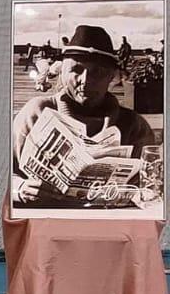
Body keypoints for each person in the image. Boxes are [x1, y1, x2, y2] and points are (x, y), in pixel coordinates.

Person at [13, 24, 154, 206]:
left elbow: (152, 183)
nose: (86, 80)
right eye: (76, 69)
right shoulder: (36, 112)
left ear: (112, 77)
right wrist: (20, 189)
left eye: (98, 72)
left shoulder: (134, 125)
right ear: (63, 72)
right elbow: (1, 172)